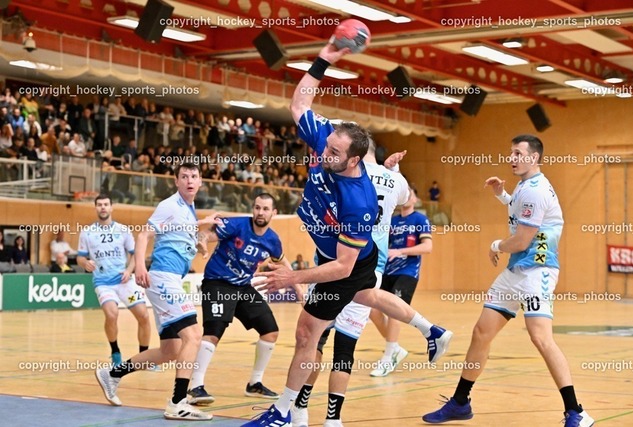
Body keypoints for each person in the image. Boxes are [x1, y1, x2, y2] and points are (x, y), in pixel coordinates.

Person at [241, 42, 452, 427]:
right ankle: (431, 330)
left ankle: (284, 412)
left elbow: (342, 267)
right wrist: (326, 57)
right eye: (328, 146)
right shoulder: (328, 143)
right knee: (367, 295)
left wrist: (293, 277)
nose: (325, 154)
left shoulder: (359, 202)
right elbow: (299, 104)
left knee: (307, 333)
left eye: (335, 153)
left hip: (347, 264)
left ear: (355, 160)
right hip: (344, 260)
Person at [422, 135, 594, 427]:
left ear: (534, 157)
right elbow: (519, 211)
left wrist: (495, 245)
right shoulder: (526, 186)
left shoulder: (536, 191)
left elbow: (522, 240)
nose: (511, 158)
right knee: (481, 332)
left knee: (541, 338)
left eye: (517, 153)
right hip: (516, 271)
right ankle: (460, 402)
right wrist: (503, 196)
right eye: (511, 153)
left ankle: (577, 411)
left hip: (537, 271)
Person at [290, 140, 411, 427]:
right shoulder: (391, 179)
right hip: (370, 267)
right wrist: (393, 170)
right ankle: (333, 418)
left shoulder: (342, 175)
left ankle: (300, 408)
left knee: (314, 340)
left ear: (353, 154)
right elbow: (406, 198)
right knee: (345, 349)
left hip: (332, 265)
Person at [95, 163, 221, 421]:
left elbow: (179, 234)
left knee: (170, 351)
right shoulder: (169, 205)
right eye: (184, 176)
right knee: (194, 336)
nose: (189, 180)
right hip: (163, 278)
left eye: (194, 176)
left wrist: (198, 243)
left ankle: (112, 374)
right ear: (176, 181)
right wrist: (140, 266)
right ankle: (178, 402)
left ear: (200, 182)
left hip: (171, 279)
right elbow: (144, 235)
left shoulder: (188, 209)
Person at [186, 193, 294, 405]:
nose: (260, 212)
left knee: (270, 331)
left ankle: (255, 383)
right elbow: (207, 233)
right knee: (213, 332)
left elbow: (282, 261)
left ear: (273, 213)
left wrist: (298, 287)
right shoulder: (237, 225)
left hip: (243, 287)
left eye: (265, 209)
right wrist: (202, 240)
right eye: (257, 207)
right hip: (218, 282)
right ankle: (195, 387)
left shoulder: (272, 240)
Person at [77, 194, 151, 366]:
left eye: (106, 204)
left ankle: (144, 357)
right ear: (95, 208)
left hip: (124, 282)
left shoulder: (123, 230)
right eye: (99, 204)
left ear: (111, 207)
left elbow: (135, 254)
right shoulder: (87, 232)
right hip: (103, 284)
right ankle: (115, 352)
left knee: (144, 315)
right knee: (112, 314)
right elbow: (80, 257)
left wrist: (129, 270)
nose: (103, 207)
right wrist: (85, 263)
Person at [368, 186, 433, 377]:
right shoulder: (391, 220)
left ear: (415, 199)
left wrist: (401, 251)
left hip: (407, 272)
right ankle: (395, 347)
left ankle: (388, 357)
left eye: (410, 193)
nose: (406, 196)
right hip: (386, 271)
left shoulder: (420, 219)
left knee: (394, 312)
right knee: (372, 310)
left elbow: (427, 247)